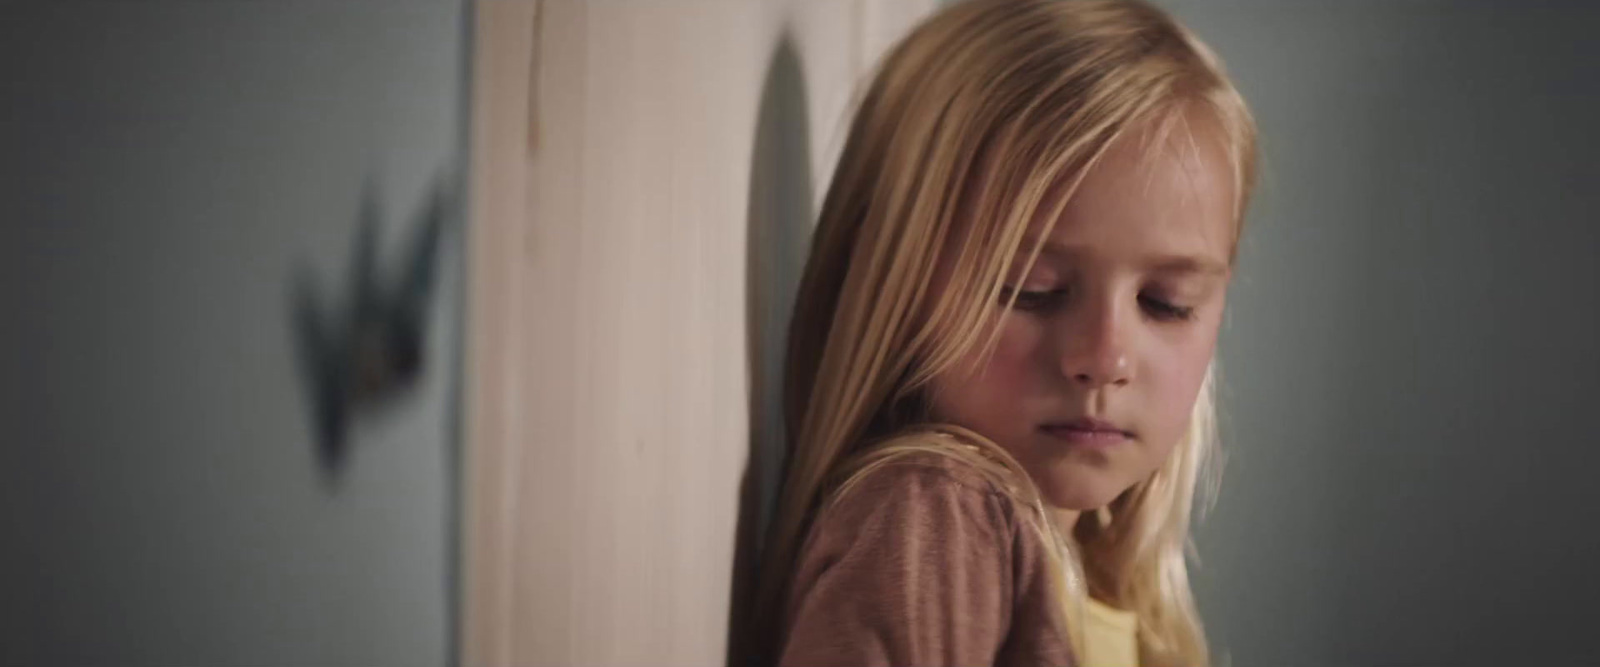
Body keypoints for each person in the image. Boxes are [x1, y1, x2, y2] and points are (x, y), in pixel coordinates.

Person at [749, 1, 1258, 665]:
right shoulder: (936, 521)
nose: (1106, 358)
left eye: (1165, 302)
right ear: (892, 278)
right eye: (1032, 289)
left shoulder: (1108, 591)